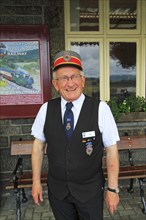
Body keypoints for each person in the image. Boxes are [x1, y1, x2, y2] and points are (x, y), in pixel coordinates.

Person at [31, 50, 120, 220]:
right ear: (56, 84)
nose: (70, 83)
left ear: (83, 81)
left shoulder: (100, 109)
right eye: (63, 78)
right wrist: (36, 182)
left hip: (90, 191)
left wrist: (112, 189)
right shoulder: (46, 109)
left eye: (74, 77)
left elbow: (112, 150)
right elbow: (38, 146)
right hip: (58, 192)